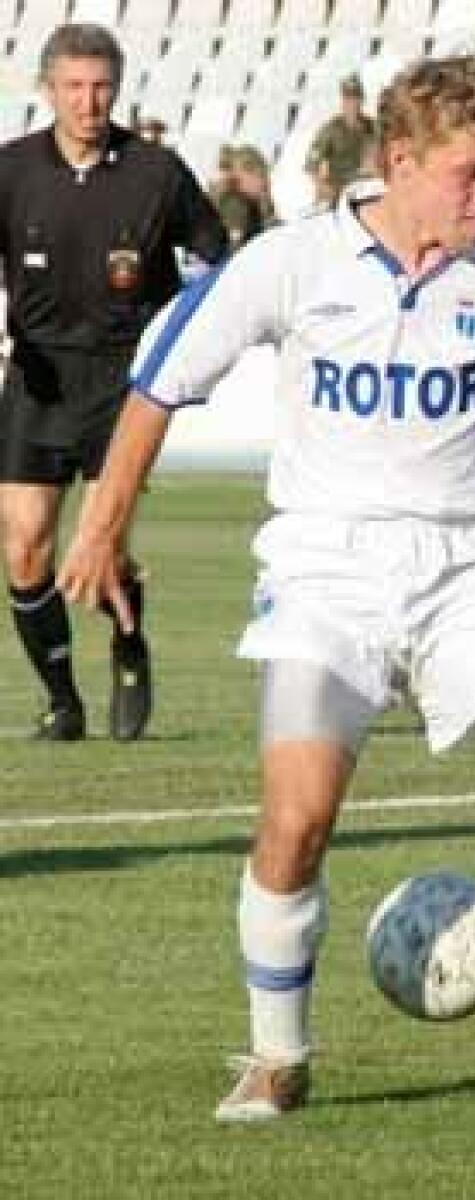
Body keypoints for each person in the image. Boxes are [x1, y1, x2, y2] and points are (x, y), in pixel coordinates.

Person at [58, 54, 475, 1121]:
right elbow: (158, 387)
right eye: (470, 174)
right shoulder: (292, 263)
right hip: (330, 568)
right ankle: (277, 1055)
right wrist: (101, 529)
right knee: (295, 821)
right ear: (401, 161)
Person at [0, 23, 229, 742]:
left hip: (123, 381)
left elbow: (216, 259)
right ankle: (62, 702)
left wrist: (181, 341)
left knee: (105, 546)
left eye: (100, 87)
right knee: (24, 546)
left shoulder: (155, 173)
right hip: (36, 375)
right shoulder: (11, 169)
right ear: (48, 90)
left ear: (117, 89)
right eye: (73, 86)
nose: (88, 102)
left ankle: (129, 643)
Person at [304, 74, 377, 210]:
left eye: (356, 99)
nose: (352, 104)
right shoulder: (331, 129)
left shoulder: (372, 127)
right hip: (338, 193)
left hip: (367, 190)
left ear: (361, 101)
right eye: (348, 99)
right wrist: (322, 186)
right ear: (342, 102)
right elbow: (312, 163)